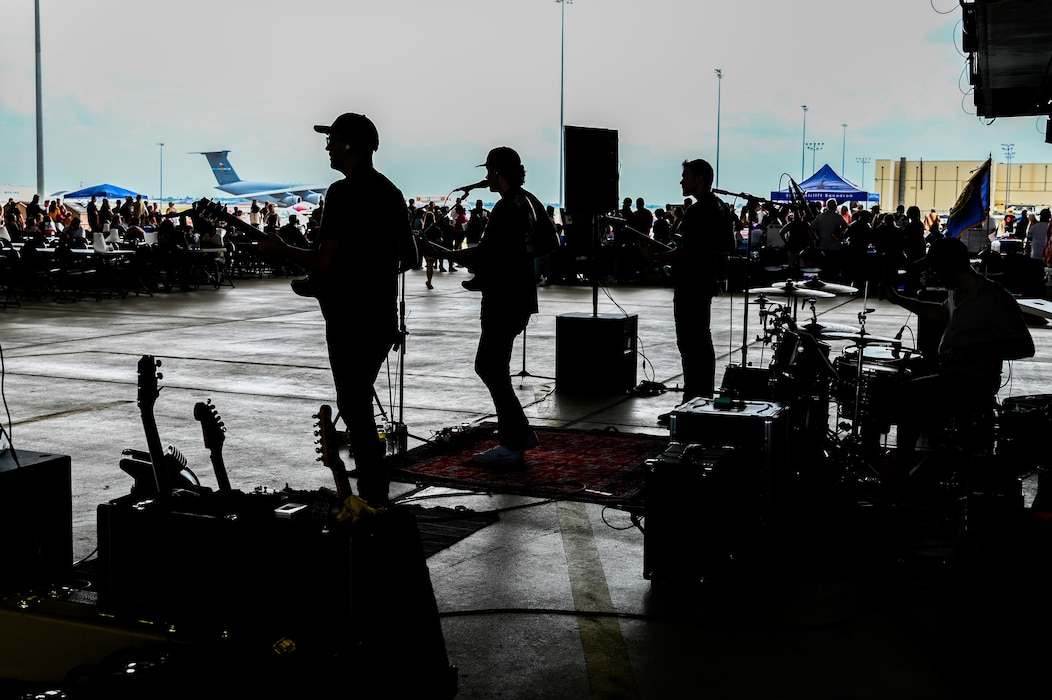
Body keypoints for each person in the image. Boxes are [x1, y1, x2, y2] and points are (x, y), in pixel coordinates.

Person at [259, 112, 412, 504]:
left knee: (353, 403)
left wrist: (282, 250)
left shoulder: (342, 193)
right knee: (356, 399)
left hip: (349, 318)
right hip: (381, 318)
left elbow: (325, 262)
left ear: (351, 146)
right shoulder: (392, 192)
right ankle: (372, 491)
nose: (327, 147)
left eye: (333, 140)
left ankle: (372, 496)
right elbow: (408, 256)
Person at [424, 146, 556, 465]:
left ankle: (512, 444)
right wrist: (518, 257)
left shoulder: (507, 207)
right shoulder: (529, 201)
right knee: (495, 367)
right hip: (519, 296)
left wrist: (440, 252)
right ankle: (519, 434)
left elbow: (483, 252)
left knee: (489, 367)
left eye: (489, 172)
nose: (486, 178)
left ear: (497, 172)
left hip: (504, 299)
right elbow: (550, 243)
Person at [881, 237, 1035, 479]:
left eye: (936, 269)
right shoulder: (955, 293)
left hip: (975, 380)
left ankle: (901, 476)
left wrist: (972, 352)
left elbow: (1025, 346)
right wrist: (898, 300)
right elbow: (938, 312)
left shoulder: (994, 297)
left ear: (949, 267)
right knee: (896, 379)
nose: (934, 274)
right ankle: (935, 453)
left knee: (909, 396)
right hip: (952, 372)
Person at [644, 159, 735, 419]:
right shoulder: (720, 206)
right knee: (701, 344)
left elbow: (685, 253)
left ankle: (691, 407)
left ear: (699, 178)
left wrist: (654, 256)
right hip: (705, 281)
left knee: (690, 345)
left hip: (691, 284)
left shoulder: (697, 211)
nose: (681, 181)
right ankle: (700, 402)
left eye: (685, 176)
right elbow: (727, 245)